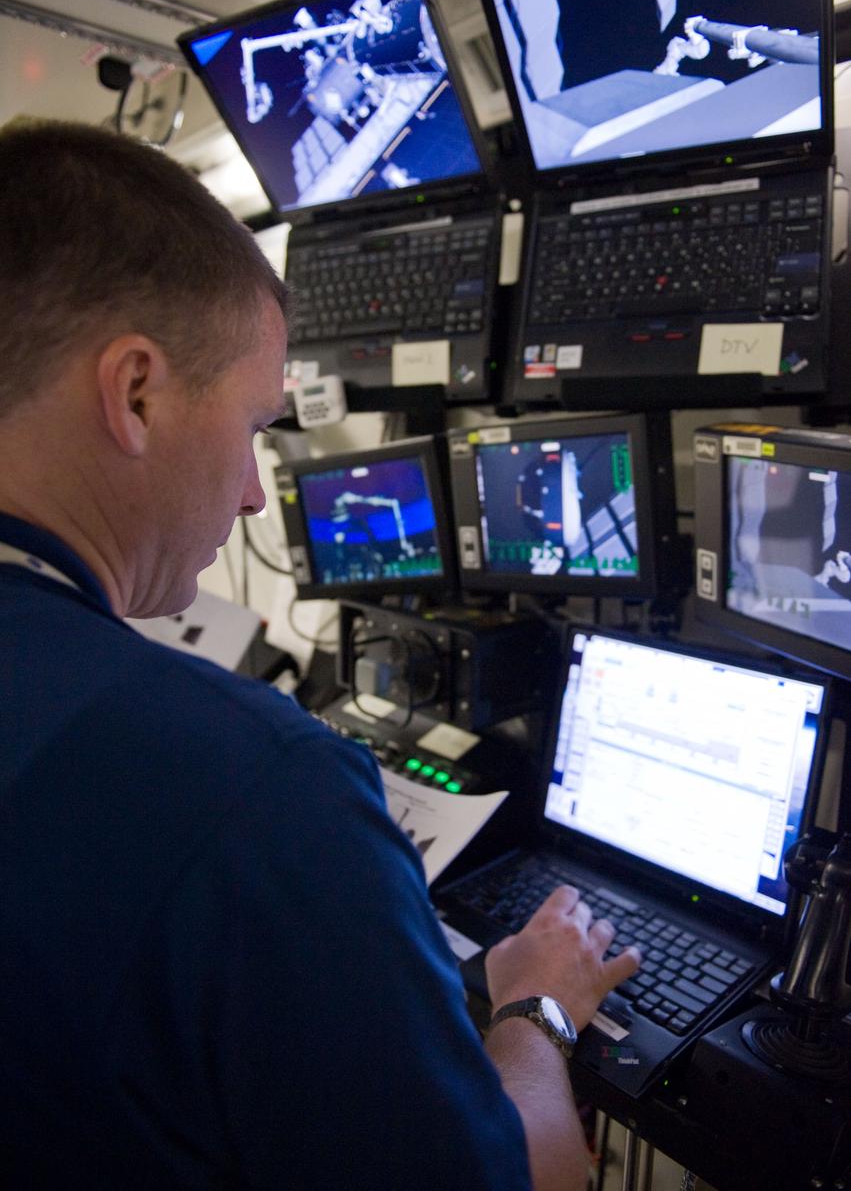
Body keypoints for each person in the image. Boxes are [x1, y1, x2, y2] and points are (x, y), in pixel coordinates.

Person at [0, 121, 640, 1191]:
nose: (255, 492)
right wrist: (535, 1008)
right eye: (254, 424)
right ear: (137, 392)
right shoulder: (254, 782)